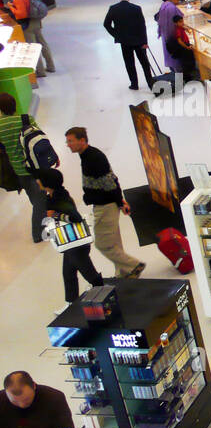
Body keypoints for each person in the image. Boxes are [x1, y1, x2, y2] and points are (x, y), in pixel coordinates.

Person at [65, 126, 146, 280]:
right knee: (114, 242)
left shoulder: (93, 158)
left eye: (70, 141)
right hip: (107, 203)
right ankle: (124, 273)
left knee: (103, 244)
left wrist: (120, 202)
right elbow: (112, 179)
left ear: (82, 140)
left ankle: (133, 265)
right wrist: (120, 200)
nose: (68, 144)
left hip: (105, 206)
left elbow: (110, 182)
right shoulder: (87, 155)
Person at [34, 168, 104, 304]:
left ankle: (103, 293)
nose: (37, 181)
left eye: (39, 179)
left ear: (46, 182)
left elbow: (76, 218)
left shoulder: (60, 198)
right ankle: (70, 304)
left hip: (75, 244)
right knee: (68, 274)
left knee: (89, 273)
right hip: (70, 242)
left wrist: (55, 215)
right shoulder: (53, 196)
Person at [0, 92, 47, 242]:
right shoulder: (26, 119)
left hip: (18, 171)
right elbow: (41, 137)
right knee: (40, 200)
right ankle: (38, 233)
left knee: (35, 197)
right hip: (35, 166)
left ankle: (43, 221)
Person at [0, 372, 73, 428]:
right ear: (6, 392)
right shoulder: (1, 400)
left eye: (26, 399)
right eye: (15, 402)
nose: (22, 405)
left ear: (34, 386)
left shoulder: (54, 397)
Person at [102, 0, 152, 91]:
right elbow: (142, 26)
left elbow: (106, 24)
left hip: (124, 42)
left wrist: (116, 35)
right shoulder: (136, 8)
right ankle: (150, 83)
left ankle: (134, 84)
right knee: (144, 63)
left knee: (129, 64)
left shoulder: (113, 8)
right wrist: (145, 42)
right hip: (139, 41)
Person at [0, 0, 53, 77]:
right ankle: (51, 66)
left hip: (28, 24)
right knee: (43, 43)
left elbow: (21, 15)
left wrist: (11, 7)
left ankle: (40, 72)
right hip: (36, 21)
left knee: (33, 47)